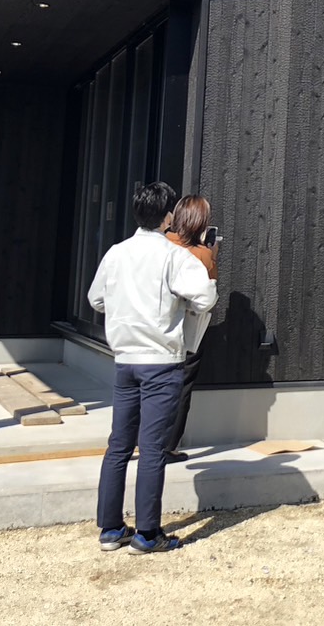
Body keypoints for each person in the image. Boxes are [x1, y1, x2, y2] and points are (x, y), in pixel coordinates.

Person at [89, 180, 216, 554]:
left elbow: (96, 299)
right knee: (152, 448)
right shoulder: (174, 257)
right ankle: (147, 534)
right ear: (168, 217)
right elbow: (205, 297)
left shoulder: (116, 253)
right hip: (161, 361)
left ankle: (111, 529)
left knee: (118, 446)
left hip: (125, 360)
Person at [164, 194, 218, 462]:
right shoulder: (201, 254)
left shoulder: (162, 244)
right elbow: (208, 294)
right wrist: (212, 256)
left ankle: (132, 440)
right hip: (187, 332)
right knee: (182, 385)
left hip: (153, 330)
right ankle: (168, 446)